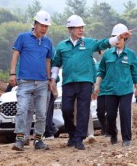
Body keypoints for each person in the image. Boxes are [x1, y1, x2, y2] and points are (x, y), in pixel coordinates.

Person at [50, 15, 132, 150]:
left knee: (83, 111)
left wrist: (118, 37)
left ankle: (79, 138)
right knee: (66, 109)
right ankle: (72, 133)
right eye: (78, 27)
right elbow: (56, 63)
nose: (81, 30)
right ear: (70, 29)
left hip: (85, 82)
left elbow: (103, 43)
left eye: (82, 27)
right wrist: (53, 78)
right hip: (68, 82)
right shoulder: (62, 46)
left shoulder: (88, 43)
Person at [9, 10, 53, 151]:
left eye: (46, 26)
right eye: (42, 25)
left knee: (41, 113)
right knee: (21, 110)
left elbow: (47, 61)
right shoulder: (23, 37)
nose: (44, 29)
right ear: (34, 24)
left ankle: (38, 140)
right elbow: (15, 56)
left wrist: (49, 79)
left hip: (41, 83)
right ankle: (20, 139)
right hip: (24, 81)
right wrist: (12, 73)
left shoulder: (48, 42)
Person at [93, 23, 137, 147]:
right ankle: (113, 133)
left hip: (125, 90)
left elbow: (135, 73)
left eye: (120, 37)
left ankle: (126, 138)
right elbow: (101, 71)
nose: (118, 40)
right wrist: (97, 85)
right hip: (110, 90)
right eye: (115, 37)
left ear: (125, 38)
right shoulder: (107, 54)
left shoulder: (130, 54)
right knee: (110, 115)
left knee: (125, 112)